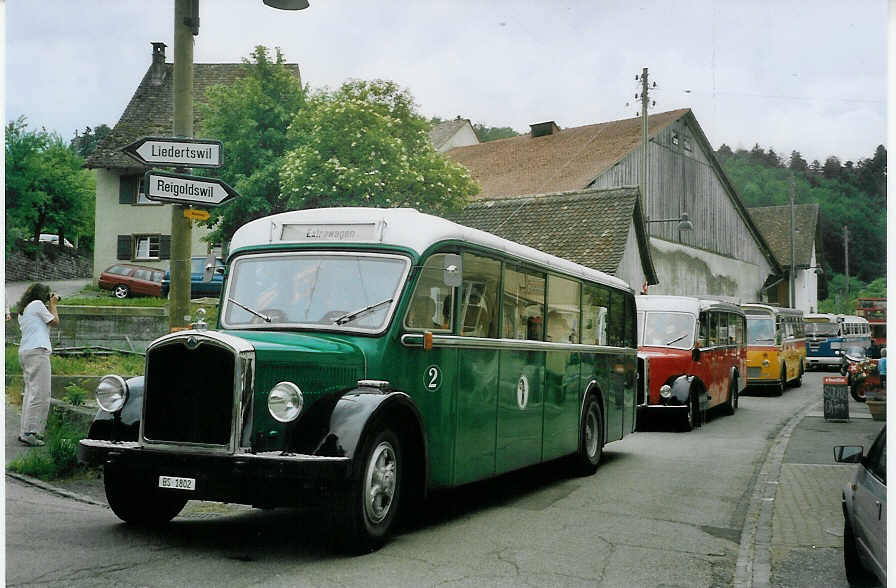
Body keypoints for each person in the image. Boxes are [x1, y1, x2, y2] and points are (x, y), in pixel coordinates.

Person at [16, 283, 60, 447]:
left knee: (30, 393)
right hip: (38, 352)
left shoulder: (25, 309)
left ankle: (25, 431)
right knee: (40, 394)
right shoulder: (37, 305)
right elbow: (55, 321)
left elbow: (45, 324)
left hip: (26, 352)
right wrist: (53, 305)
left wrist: (50, 305)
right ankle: (30, 432)